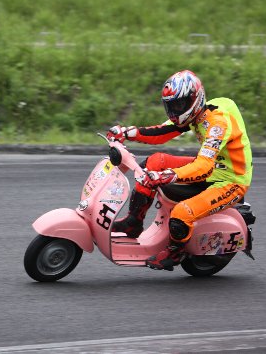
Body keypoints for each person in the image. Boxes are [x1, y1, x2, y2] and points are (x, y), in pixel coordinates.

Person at [106, 70, 253, 271]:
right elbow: (162, 132)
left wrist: (167, 176)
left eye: (179, 105)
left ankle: (175, 252)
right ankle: (134, 222)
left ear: (194, 99)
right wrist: (127, 133)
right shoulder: (196, 113)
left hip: (230, 180)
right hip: (213, 167)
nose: (174, 112)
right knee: (154, 162)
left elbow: (203, 167)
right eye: (171, 106)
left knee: (182, 213)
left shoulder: (217, 125)